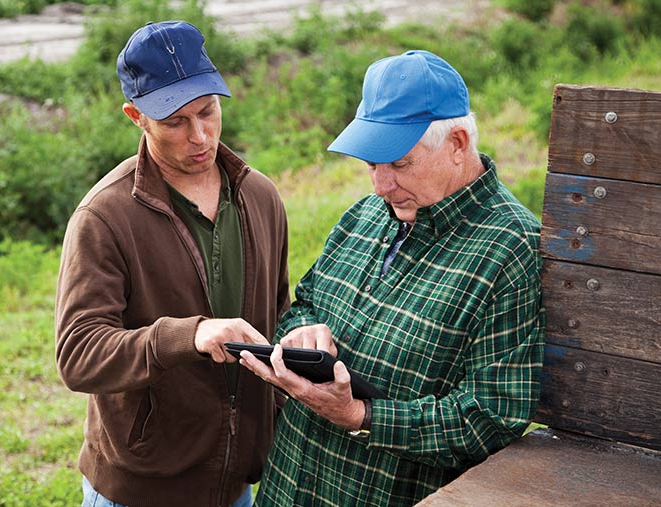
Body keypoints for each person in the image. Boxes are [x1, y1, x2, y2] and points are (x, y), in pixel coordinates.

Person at [237, 50, 545, 506]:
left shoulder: (512, 251)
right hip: (288, 489)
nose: (380, 185)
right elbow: (303, 306)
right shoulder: (365, 214)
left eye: (399, 163)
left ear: (458, 143)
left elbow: (492, 417)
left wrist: (361, 416)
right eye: (371, 163)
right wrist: (300, 332)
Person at [54, 20, 290, 507]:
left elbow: (278, 312)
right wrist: (190, 335)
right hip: (139, 490)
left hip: (238, 486)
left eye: (208, 111)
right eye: (174, 122)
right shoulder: (102, 216)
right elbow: (79, 355)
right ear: (135, 116)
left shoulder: (262, 196)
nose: (199, 136)